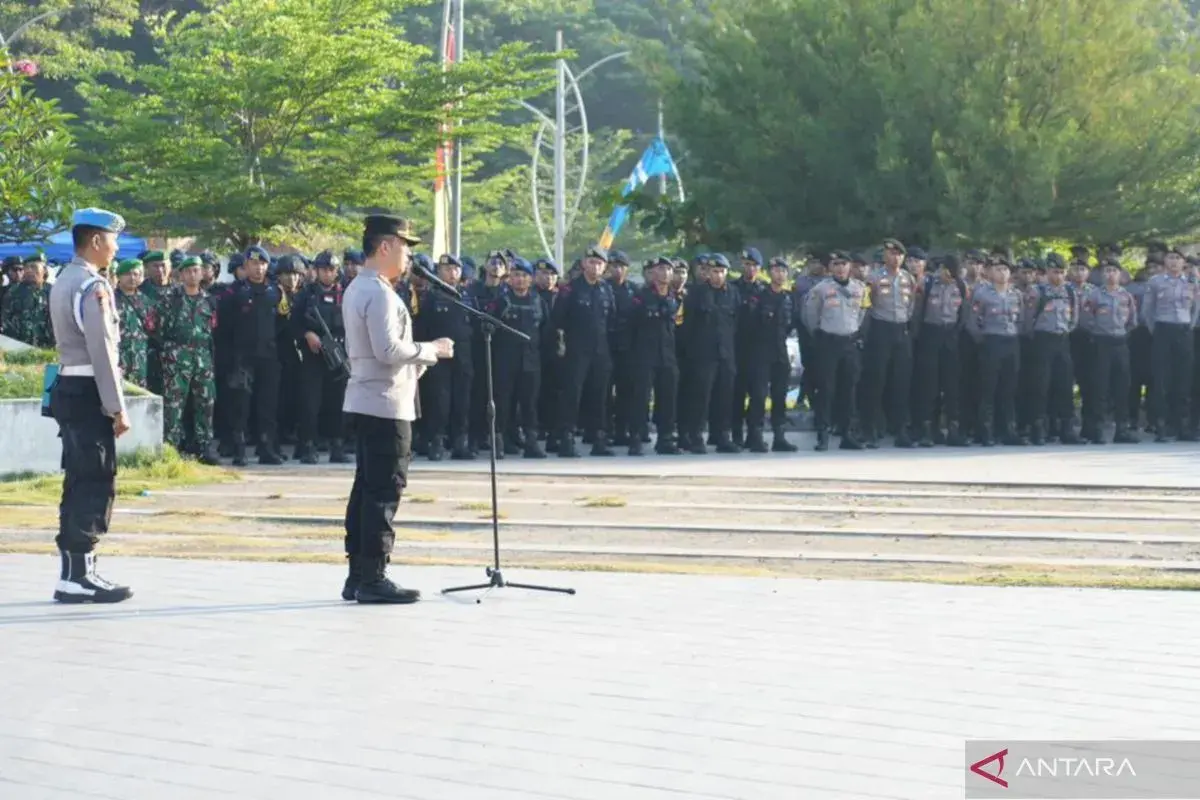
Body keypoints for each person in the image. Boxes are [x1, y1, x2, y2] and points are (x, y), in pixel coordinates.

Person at [341, 214, 454, 605]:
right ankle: (373, 576)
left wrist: (420, 359)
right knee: (384, 491)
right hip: (385, 406)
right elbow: (388, 352)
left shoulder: (362, 287)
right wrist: (431, 350)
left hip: (370, 400)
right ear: (385, 245)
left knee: (367, 489)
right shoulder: (378, 293)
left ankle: (358, 574)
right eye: (405, 246)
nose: (408, 255)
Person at [46, 208, 133, 603]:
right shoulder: (92, 285)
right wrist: (117, 407)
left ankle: (74, 572)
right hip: (88, 391)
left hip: (69, 386)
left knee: (78, 477)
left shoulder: (65, 278)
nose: (115, 247)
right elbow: (102, 351)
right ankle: (80, 573)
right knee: (96, 477)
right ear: (96, 241)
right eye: (112, 239)